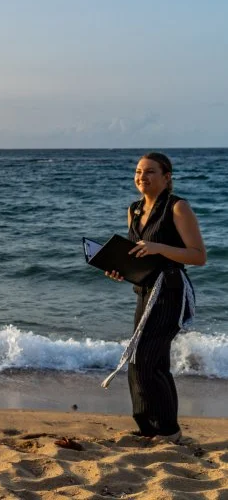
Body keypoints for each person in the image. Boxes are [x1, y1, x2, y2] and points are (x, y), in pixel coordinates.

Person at [102, 152, 206, 443]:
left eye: (149, 172)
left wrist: (158, 247)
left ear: (167, 177)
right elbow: (138, 257)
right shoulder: (133, 209)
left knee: (144, 362)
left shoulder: (177, 207)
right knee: (147, 360)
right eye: (138, 171)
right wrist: (121, 270)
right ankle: (151, 427)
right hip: (145, 290)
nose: (141, 177)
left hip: (171, 291)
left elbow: (198, 256)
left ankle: (169, 430)